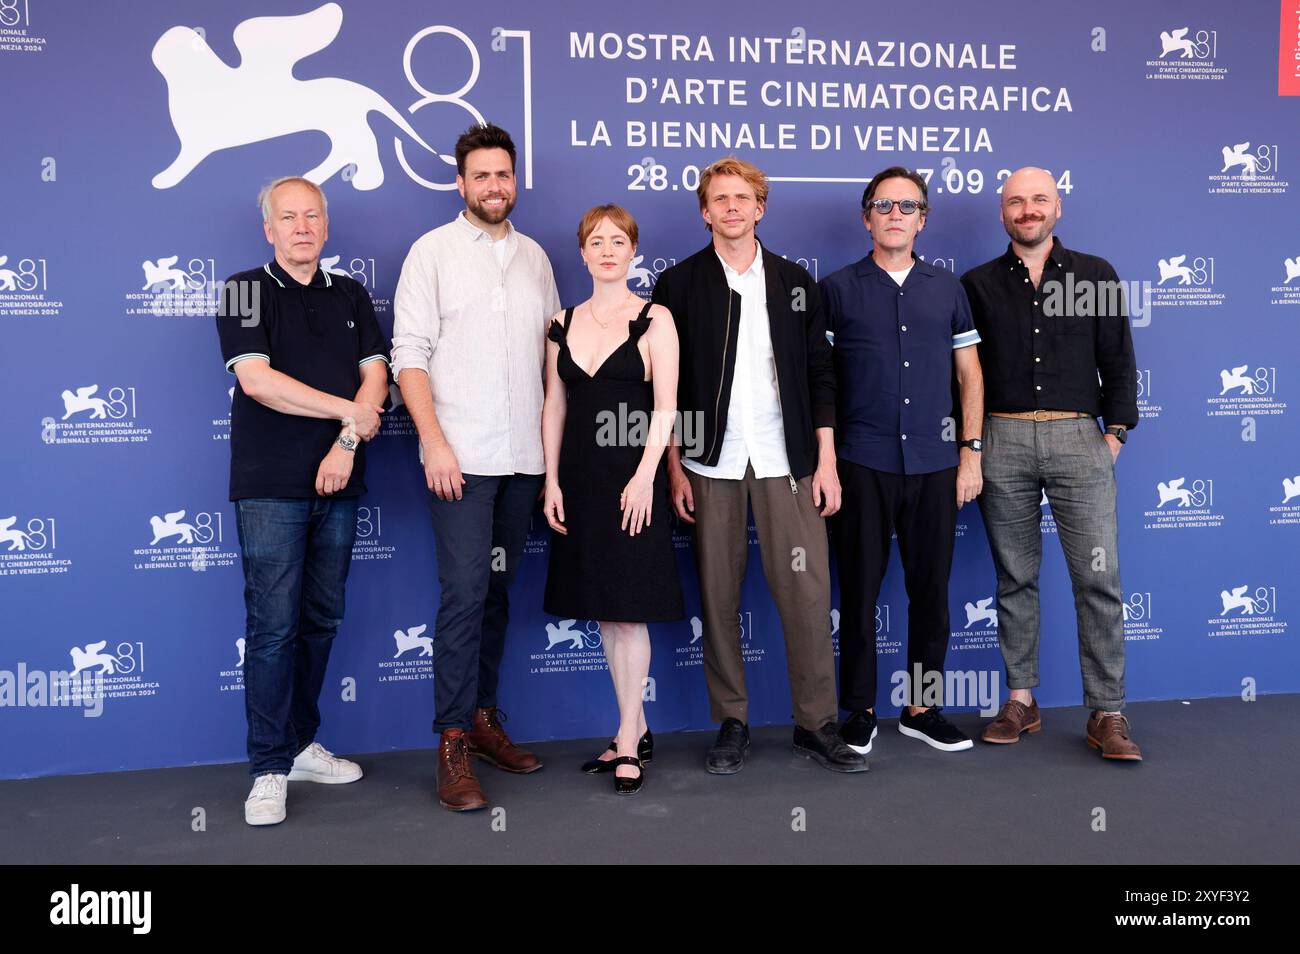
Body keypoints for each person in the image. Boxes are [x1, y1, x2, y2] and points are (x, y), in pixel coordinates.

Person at [651, 156, 866, 775]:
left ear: (760, 207)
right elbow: (666, 385)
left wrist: (825, 461)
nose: (732, 208)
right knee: (717, 594)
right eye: (720, 199)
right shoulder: (680, 284)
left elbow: (823, 375)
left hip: (788, 459)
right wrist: (674, 465)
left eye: (743, 198)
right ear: (705, 211)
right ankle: (732, 721)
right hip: (708, 461)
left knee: (806, 592)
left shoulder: (796, 281)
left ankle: (815, 723)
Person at [392, 123, 561, 811]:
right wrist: (433, 441)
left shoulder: (537, 259)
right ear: (460, 184)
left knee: (496, 594)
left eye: (504, 174)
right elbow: (410, 354)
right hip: (460, 461)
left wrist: (553, 461)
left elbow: (553, 363)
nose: (495, 186)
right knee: (464, 596)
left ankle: (486, 718)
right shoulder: (429, 253)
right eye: (482, 176)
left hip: (523, 459)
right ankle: (453, 741)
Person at [217, 176, 389, 827]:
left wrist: (345, 442)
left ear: (325, 223)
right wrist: (351, 412)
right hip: (269, 487)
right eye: (287, 217)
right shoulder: (244, 290)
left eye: (311, 215)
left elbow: (378, 374)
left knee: (321, 618)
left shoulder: (349, 293)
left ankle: (298, 744)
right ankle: (267, 767)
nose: (301, 226)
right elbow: (259, 383)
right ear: (269, 229)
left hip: (339, 483)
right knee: (273, 627)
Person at [960, 166, 1142, 761]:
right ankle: (1021, 699)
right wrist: (974, 445)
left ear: (1057, 207)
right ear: (1002, 212)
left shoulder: (1095, 275)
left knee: (1098, 579)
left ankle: (1107, 712)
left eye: (1039, 199)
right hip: (1002, 439)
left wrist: (1112, 436)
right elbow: (966, 376)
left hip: (1079, 440)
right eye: (1016, 201)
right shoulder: (977, 284)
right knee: (1015, 577)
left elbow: (1119, 362)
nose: (1028, 209)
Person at [820, 166, 985, 755]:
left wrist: (970, 453)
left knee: (931, 591)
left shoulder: (948, 289)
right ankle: (859, 710)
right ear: (867, 217)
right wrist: (827, 461)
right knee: (859, 591)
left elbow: (969, 374)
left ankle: (921, 707)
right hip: (861, 461)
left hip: (937, 463)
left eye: (907, 206)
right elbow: (824, 384)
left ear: (923, 218)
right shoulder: (837, 290)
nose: (895, 215)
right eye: (884, 205)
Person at [541, 204, 683, 796]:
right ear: (582, 252)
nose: (606, 249)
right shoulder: (559, 322)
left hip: (633, 482)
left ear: (633, 251)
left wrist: (647, 475)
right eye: (596, 241)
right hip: (579, 480)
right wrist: (551, 480)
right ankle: (636, 727)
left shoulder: (656, 319)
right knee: (604, 610)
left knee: (629, 610)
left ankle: (627, 740)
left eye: (618, 240)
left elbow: (669, 408)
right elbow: (554, 404)